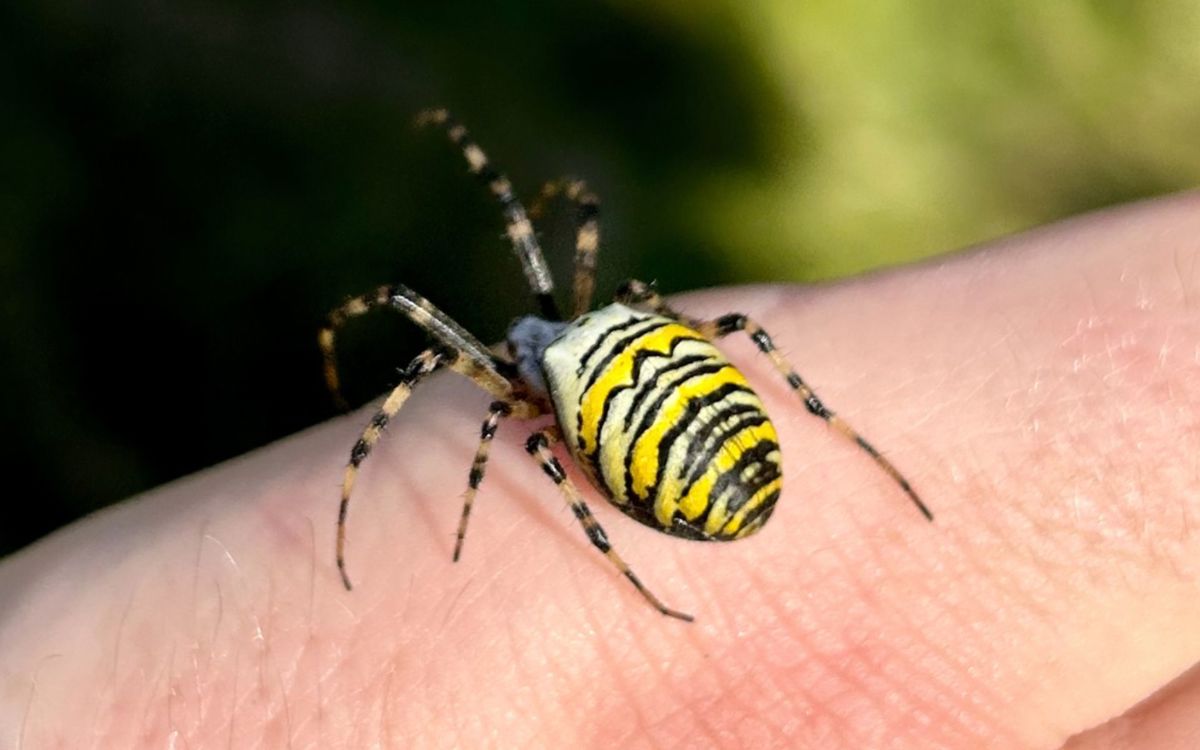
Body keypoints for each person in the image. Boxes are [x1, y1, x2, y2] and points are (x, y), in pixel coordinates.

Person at [2, 193, 1197, 749]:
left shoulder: (508, 394)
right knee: (739, 329)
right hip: (652, 382)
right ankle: (836, 449)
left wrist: (420, 490)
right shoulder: (589, 314)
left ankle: (638, 565)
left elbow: (458, 402)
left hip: (646, 412)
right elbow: (574, 232)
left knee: (440, 345)